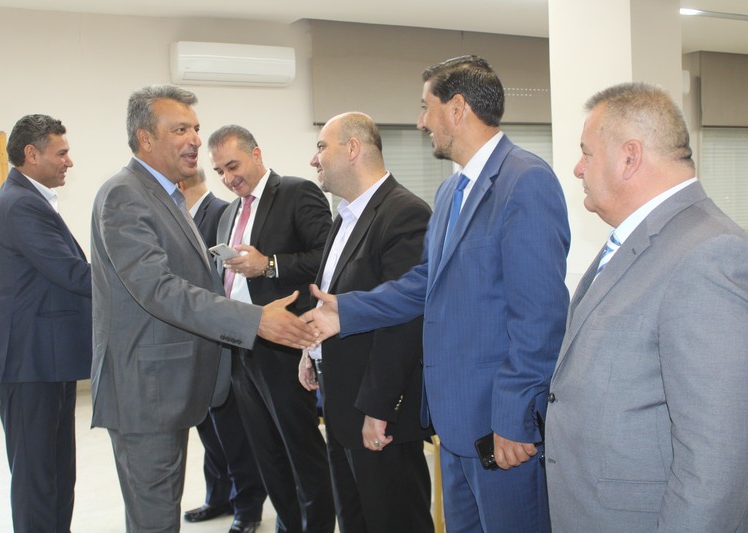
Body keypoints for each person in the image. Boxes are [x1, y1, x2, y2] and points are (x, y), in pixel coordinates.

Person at [305, 55, 570, 531]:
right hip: (452, 423)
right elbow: (423, 285)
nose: (421, 121)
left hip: (500, 425)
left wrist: (515, 417)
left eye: (426, 107)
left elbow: (540, 317)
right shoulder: (450, 193)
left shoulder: (525, 181)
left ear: (457, 108)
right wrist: (347, 310)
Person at [90, 85, 317, 533]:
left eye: (195, 128)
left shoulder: (166, 196)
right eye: (180, 129)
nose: (195, 139)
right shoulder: (125, 195)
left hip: (165, 388)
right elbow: (158, 289)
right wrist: (255, 321)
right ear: (145, 138)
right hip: (145, 393)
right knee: (154, 519)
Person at [545, 82, 748, 532]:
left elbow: (718, 457)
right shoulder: (637, 240)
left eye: (587, 153)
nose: (578, 168)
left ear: (629, 157)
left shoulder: (708, 255)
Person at [298, 112, 434, 532]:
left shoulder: (404, 213)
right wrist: (311, 350)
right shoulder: (344, 215)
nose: (314, 159)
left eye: (322, 147)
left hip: (377, 414)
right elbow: (331, 296)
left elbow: (406, 322)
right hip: (342, 407)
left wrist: (379, 409)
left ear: (353, 149)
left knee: (395, 521)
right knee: (356, 521)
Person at [210, 125, 335, 533]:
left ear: (257, 154)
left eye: (233, 166)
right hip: (241, 344)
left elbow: (328, 256)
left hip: (284, 344)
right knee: (266, 452)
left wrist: (270, 264)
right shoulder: (228, 214)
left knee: (300, 449)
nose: (228, 178)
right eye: (220, 171)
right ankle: (288, 524)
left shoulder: (297, 192)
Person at [0, 114, 91, 532]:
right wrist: (140, 277)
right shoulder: (21, 204)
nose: (69, 162)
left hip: (46, 360)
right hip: (28, 364)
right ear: (31, 154)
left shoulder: (29, 198)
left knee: (58, 475)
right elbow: (72, 274)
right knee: (37, 482)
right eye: (61, 153)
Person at [177, 170, 267, 526]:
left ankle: (247, 507)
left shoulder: (218, 213)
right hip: (200, 337)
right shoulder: (188, 216)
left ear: (179, 184)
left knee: (232, 433)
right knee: (209, 428)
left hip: (223, 338)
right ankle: (219, 496)